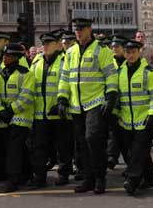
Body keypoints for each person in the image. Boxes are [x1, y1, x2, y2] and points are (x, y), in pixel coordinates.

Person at [58, 18, 118, 194]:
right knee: (82, 144)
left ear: (89, 29)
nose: (78, 32)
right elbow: (65, 77)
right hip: (76, 105)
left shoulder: (101, 50)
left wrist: (111, 97)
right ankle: (88, 178)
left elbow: (111, 75)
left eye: (82, 29)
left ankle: (100, 178)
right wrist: (62, 98)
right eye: (76, 29)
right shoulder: (71, 52)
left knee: (94, 140)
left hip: (95, 102)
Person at [116, 40, 153, 195]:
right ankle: (149, 178)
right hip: (126, 122)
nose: (130, 55)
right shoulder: (120, 72)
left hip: (144, 121)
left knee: (137, 152)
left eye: (133, 52)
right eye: (128, 52)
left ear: (139, 52)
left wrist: (152, 114)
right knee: (137, 152)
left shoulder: (148, 71)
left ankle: (132, 180)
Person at [29, 32, 72, 188]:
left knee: (63, 146)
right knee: (39, 147)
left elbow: (68, 83)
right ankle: (39, 176)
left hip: (59, 112)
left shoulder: (64, 60)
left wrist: (62, 102)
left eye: (49, 43)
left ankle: (63, 174)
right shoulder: (37, 61)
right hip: (40, 113)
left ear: (58, 45)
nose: (45, 46)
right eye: (44, 43)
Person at [0, 43, 35, 193]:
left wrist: (10, 110)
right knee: (10, 148)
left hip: (20, 117)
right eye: (4, 55)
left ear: (17, 57)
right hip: (3, 117)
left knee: (14, 149)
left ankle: (13, 179)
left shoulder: (27, 74)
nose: (4, 58)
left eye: (8, 55)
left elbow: (27, 96)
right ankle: (26, 173)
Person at [107, 35, 128, 170]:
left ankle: (129, 165)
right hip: (113, 106)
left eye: (117, 47)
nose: (114, 49)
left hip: (128, 107)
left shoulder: (130, 61)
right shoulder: (109, 63)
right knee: (114, 133)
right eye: (113, 47)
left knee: (126, 139)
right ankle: (112, 156)